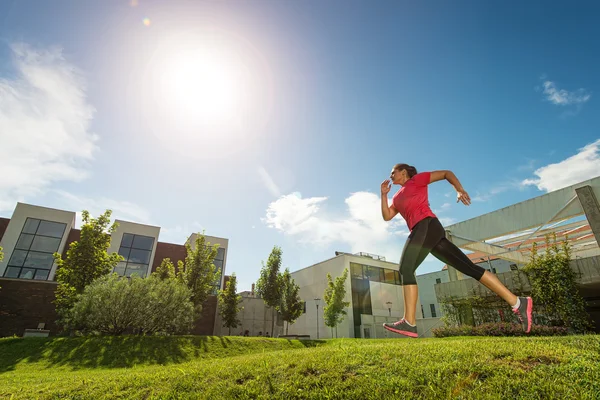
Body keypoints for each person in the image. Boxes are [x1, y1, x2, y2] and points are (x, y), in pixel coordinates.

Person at [381, 164, 533, 338]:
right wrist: (384, 195)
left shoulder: (417, 180)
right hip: (427, 232)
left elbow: (446, 173)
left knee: (406, 269)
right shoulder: (397, 197)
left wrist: (459, 190)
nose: (391, 175)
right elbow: (387, 216)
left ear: (403, 172)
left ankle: (409, 322)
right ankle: (517, 302)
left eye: (393, 172)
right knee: (470, 268)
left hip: (427, 225)